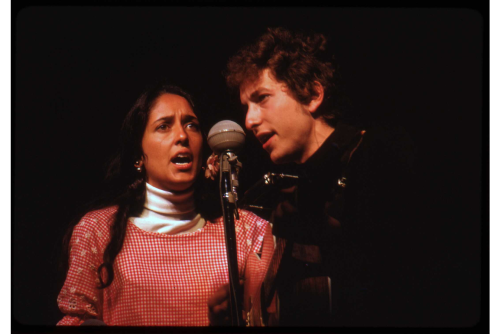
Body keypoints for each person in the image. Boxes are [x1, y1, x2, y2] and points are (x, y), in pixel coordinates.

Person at [224, 27, 420, 326]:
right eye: (246, 107)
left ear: (313, 95)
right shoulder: (294, 192)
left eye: (262, 98)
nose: (249, 120)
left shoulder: (378, 155)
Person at [56, 81, 271, 326]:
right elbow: (76, 319)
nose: (182, 136)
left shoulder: (243, 230)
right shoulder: (98, 230)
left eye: (192, 125)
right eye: (163, 126)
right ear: (138, 155)